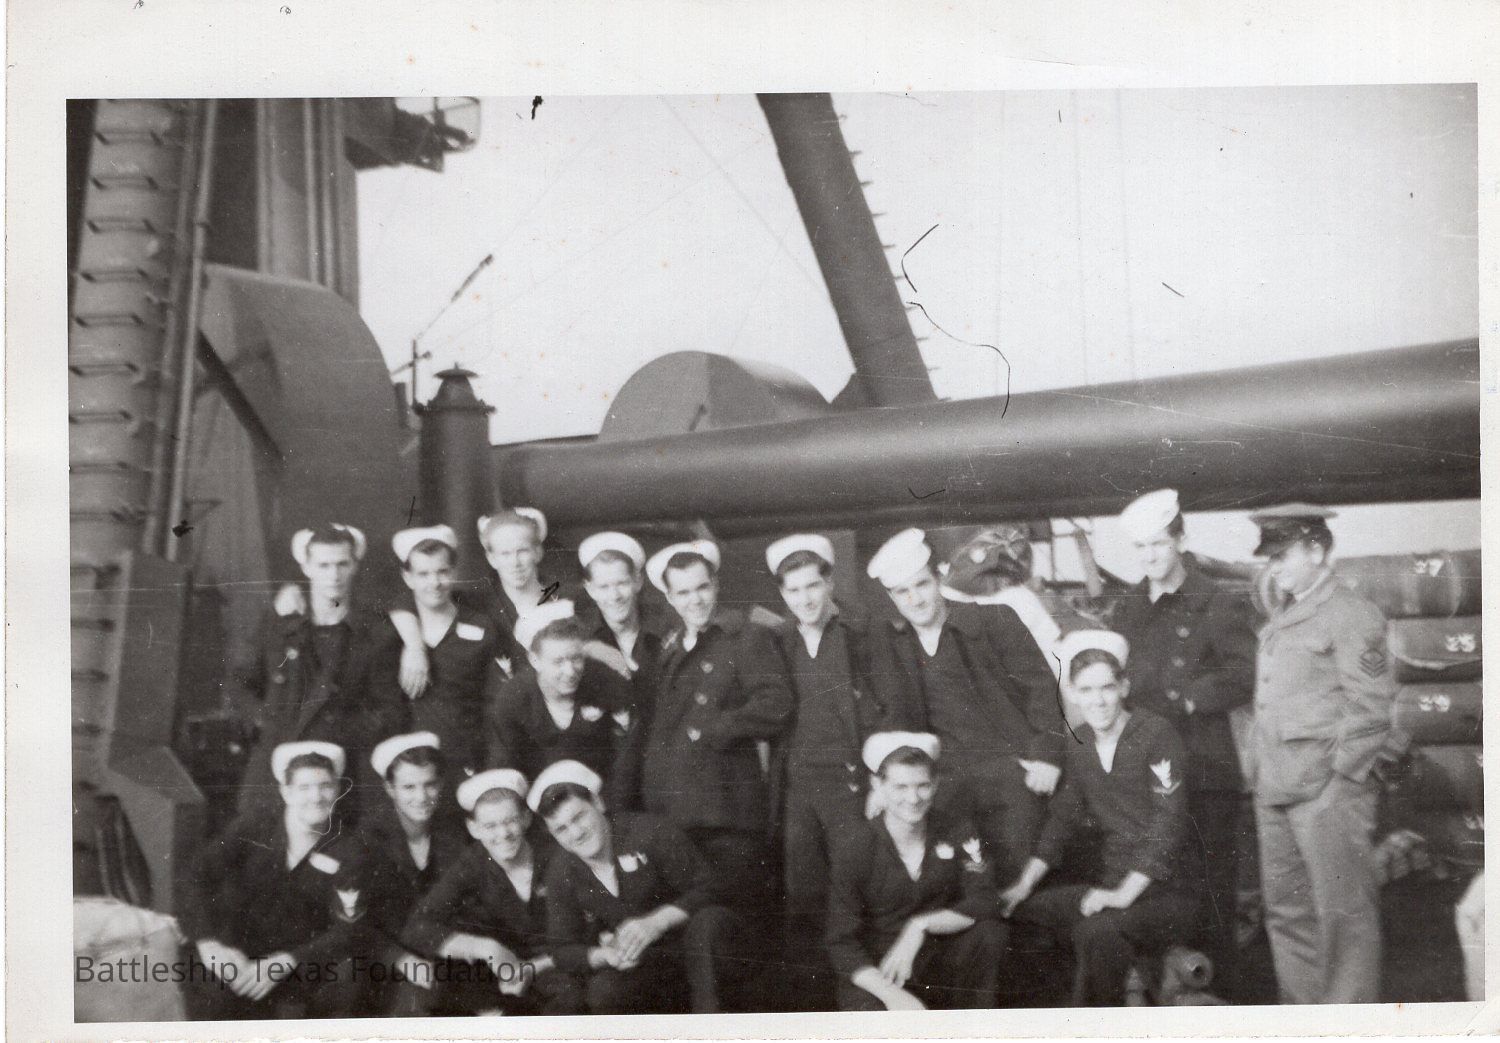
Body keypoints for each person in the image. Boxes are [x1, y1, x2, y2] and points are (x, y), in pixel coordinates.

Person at [1245, 504, 1398, 1004]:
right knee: (1288, 915)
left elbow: (1371, 708)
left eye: (1282, 555)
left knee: (1344, 917)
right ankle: (1306, 1022)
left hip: (1327, 793)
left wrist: (1342, 782)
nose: (1274, 567)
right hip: (1277, 786)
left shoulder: (1351, 614)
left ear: (1316, 549)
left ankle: (1349, 1026)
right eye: (1270, 558)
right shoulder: (1285, 614)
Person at [999, 631, 1200, 1007]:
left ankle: (1100, 1023)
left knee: (1096, 932)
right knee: (1021, 914)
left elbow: (1168, 824)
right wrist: (1024, 884)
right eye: (1087, 690)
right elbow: (1062, 820)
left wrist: (1123, 895)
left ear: (1124, 687)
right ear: (1072, 693)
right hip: (1112, 883)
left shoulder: (1157, 734)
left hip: (1167, 893)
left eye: (1107, 688)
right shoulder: (1081, 743)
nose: (1099, 700)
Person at [1112, 489, 1257, 989]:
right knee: (1156, 885)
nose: (1150, 556)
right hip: (1148, 769)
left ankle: (1221, 995)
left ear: (1180, 539)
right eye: (1141, 547)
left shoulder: (1215, 601)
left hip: (1204, 768)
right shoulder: (1129, 606)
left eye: (1158, 544)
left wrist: (1192, 698)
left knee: (1212, 890)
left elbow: (1246, 672)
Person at [865, 527, 1064, 881]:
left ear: (939, 578)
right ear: (892, 597)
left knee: (1020, 878)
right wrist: (881, 780)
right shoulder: (897, 646)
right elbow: (894, 717)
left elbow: (1041, 690)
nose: (915, 599)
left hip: (1013, 775)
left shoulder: (994, 620)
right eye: (902, 592)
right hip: (948, 786)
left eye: (921, 585)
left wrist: (1047, 757)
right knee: (964, 882)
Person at [763, 534, 887, 1005]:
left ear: (830, 582)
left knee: (854, 889)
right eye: (793, 591)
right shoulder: (779, 641)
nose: (805, 599)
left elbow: (887, 709)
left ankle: (862, 994)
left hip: (852, 783)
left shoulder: (861, 634)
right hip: (800, 789)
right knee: (805, 896)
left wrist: (880, 779)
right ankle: (814, 1005)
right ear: (782, 594)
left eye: (812, 586)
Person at [639, 539, 793, 917]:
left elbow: (776, 702)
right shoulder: (670, 647)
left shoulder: (746, 636)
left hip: (727, 805)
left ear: (716, 585)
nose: (696, 600)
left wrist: (719, 727)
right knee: (691, 912)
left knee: (734, 912)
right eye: (683, 593)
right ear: (670, 598)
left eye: (702, 587)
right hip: (677, 806)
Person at [534, 760, 746, 1014]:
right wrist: (604, 955)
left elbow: (713, 888)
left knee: (709, 924)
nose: (576, 833)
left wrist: (657, 922)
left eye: (579, 817)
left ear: (598, 803)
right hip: (649, 962)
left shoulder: (648, 831)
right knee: (604, 991)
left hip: (696, 944)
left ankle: (711, 1027)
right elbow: (562, 949)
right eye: (561, 829)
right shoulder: (561, 871)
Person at [179, 742, 372, 1019]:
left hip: (301, 965)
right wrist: (208, 941)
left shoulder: (350, 847)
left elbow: (348, 929)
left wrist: (288, 961)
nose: (316, 797)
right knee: (208, 999)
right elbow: (197, 874)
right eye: (304, 788)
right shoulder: (254, 827)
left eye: (325, 786)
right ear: (286, 792)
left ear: (338, 789)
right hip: (236, 954)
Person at [228, 524, 403, 818]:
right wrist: (264, 721)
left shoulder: (375, 632)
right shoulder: (279, 625)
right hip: (277, 763)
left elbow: (389, 710)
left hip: (341, 770)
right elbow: (238, 684)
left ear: (355, 565)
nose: (333, 575)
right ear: (306, 567)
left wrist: (335, 735)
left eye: (342, 564)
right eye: (323, 565)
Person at [825, 731, 1005, 1011]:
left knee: (989, 934)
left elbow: (985, 899)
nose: (913, 798)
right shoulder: (855, 846)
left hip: (936, 959)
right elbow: (840, 941)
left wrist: (920, 926)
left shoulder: (957, 830)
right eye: (900, 787)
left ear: (936, 784)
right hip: (879, 971)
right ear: (878, 785)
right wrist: (892, 995)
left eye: (923, 786)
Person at [401, 768, 585, 1015]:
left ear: (526, 819)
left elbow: (588, 932)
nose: (503, 834)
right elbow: (418, 926)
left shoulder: (555, 853)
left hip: (560, 968)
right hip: (504, 973)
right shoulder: (472, 863)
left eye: (510, 821)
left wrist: (537, 967)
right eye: (490, 826)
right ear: (473, 828)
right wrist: (483, 948)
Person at [357, 732, 469, 1012]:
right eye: (408, 787)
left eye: (429, 785)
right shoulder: (368, 837)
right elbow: (355, 920)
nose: (421, 797)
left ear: (440, 784)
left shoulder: (455, 832)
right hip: (386, 962)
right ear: (390, 788)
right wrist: (400, 958)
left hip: (445, 953)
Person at [383, 526, 507, 777]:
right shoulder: (390, 631)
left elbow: (494, 704)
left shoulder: (481, 627)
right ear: (407, 578)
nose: (435, 583)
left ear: (454, 572)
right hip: (409, 767)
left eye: (442, 572)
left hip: (467, 759)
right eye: (423, 574)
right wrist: (414, 646)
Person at [487, 600, 628, 799]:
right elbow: (506, 770)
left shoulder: (606, 683)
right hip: (540, 803)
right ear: (534, 660)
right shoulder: (513, 699)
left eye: (576, 658)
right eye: (558, 661)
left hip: (603, 798)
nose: (570, 671)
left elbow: (626, 758)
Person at [577, 531, 668, 811]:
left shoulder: (668, 631)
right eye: (603, 587)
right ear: (590, 589)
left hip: (665, 774)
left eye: (622, 583)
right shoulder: (580, 640)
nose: (614, 596)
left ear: (638, 581)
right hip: (607, 779)